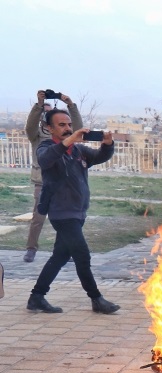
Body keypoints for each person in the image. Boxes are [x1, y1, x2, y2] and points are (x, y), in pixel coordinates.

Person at [27, 110, 121, 315]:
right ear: (50, 128)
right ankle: (96, 299)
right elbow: (45, 160)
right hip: (62, 213)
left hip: (78, 213)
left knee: (60, 256)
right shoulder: (46, 147)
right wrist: (68, 140)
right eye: (61, 125)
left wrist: (107, 144)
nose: (67, 128)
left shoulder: (78, 150)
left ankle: (36, 297)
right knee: (82, 255)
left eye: (68, 124)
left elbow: (99, 156)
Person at [24, 91, 82, 263]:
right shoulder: (37, 136)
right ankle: (31, 249)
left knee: (67, 218)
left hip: (64, 182)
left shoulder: (67, 134)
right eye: (45, 113)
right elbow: (30, 126)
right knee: (38, 218)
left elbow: (77, 128)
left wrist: (70, 105)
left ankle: (67, 249)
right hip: (42, 182)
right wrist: (39, 104)